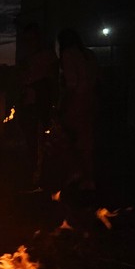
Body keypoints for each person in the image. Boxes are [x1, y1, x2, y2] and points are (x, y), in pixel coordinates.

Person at [17, 24, 59, 188]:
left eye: (31, 38)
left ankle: (41, 176)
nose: (29, 42)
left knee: (41, 141)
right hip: (28, 105)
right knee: (30, 141)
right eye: (26, 39)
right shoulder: (26, 58)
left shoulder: (47, 56)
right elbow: (21, 80)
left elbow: (51, 79)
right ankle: (32, 173)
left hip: (41, 104)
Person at [58, 28, 98, 191]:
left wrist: (64, 105)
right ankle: (88, 178)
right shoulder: (88, 54)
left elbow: (71, 85)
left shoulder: (68, 54)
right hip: (92, 99)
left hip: (77, 101)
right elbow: (97, 77)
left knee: (67, 138)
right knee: (86, 141)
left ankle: (75, 173)